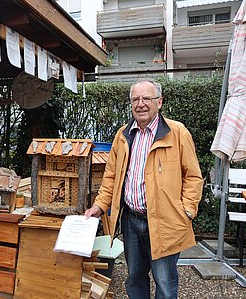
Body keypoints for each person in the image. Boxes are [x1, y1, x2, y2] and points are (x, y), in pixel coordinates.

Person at [85, 80, 203, 299]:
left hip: (166, 221)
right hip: (131, 220)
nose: (140, 104)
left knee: (165, 282)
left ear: (159, 102)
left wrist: (187, 210)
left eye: (146, 98)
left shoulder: (177, 132)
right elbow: (111, 176)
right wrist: (100, 206)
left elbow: (194, 176)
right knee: (135, 278)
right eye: (135, 99)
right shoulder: (122, 135)